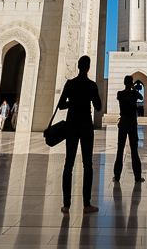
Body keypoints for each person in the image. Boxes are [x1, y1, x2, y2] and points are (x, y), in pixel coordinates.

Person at [59, 55, 101, 214]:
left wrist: (73, 102)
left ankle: (66, 205)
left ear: (78, 66)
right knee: (87, 164)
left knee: (68, 164)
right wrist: (86, 100)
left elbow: (61, 105)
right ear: (88, 68)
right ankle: (86, 204)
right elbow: (98, 106)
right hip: (85, 126)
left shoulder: (70, 84)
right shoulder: (91, 85)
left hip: (71, 125)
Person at [113, 75, 145, 183]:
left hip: (123, 122)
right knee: (134, 150)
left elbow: (119, 98)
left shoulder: (120, 94)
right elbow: (141, 97)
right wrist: (134, 88)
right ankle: (137, 177)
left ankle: (117, 177)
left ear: (124, 83)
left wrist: (129, 88)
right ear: (131, 83)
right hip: (131, 122)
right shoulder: (134, 93)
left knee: (120, 150)